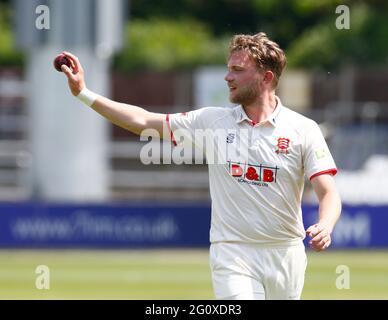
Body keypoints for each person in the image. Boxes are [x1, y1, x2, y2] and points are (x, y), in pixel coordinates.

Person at [60, 32, 342, 300]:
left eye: (237, 70)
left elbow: (328, 192)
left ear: (266, 77)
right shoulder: (212, 122)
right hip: (233, 252)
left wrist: (326, 226)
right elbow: (143, 121)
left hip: (286, 253)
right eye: (228, 68)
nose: (227, 76)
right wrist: (83, 93)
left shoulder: (303, 129)